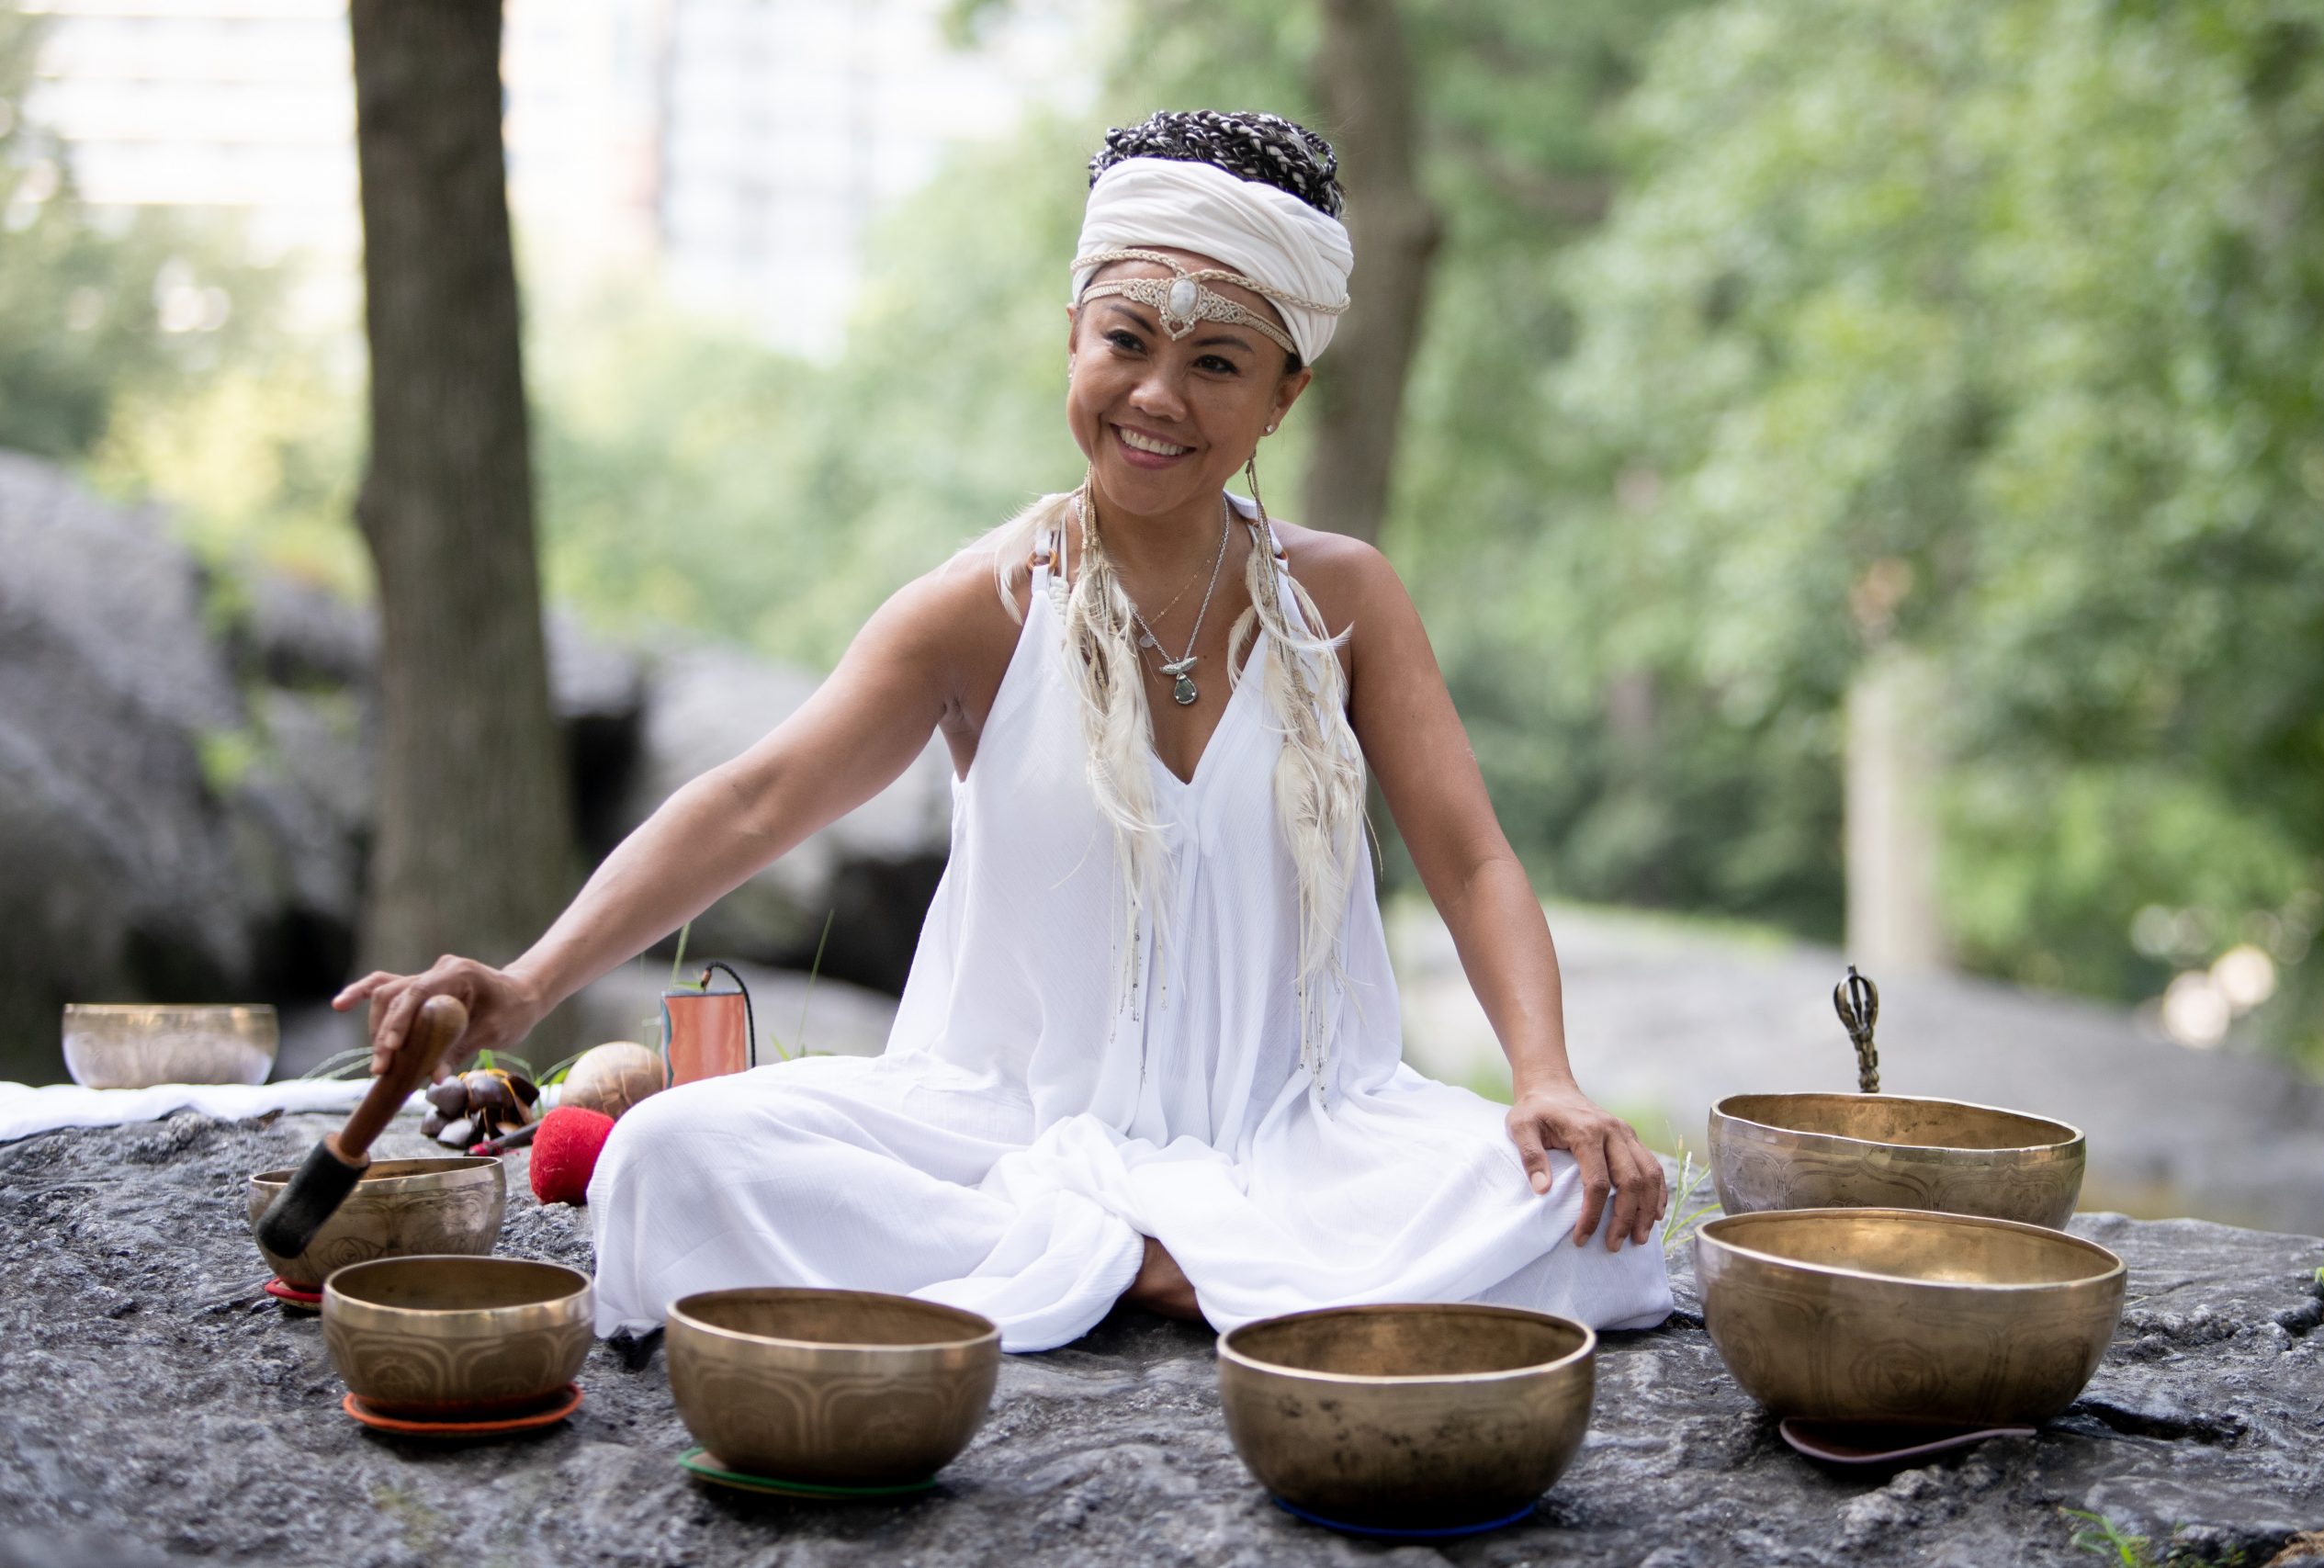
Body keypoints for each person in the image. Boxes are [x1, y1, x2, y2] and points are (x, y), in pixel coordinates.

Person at [335, 109, 1673, 1350]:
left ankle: (1136, 1259)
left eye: (1216, 363)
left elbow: (1477, 860)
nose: (1158, 395)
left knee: (1591, 1226)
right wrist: (526, 984)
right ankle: (1162, 1262)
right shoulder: (979, 611)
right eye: (1126, 341)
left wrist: (1546, 1075)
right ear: (1073, 341)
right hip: (1005, 1132)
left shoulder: (1347, 599)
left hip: (1308, 1133)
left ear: (1285, 396)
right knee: (663, 1163)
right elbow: (754, 804)